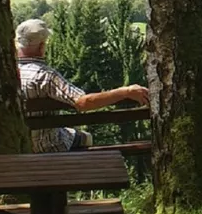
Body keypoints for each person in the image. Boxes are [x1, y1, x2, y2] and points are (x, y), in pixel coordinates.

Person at [15, 18, 148, 152]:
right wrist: (126, 91)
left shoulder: (7, 73)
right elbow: (83, 103)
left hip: (16, 147)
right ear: (42, 46)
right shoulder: (44, 75)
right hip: (48, 147)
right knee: (86, 137)